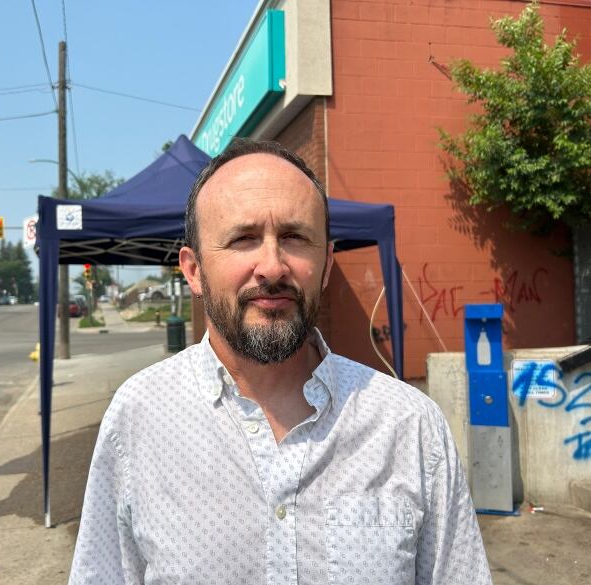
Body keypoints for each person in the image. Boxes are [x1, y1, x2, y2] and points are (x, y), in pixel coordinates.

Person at [68, 139, 492, 585]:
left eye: (294, 237)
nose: (272, 266)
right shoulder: (139, 417)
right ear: (193, 271)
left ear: (327, 265)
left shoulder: (409, 426)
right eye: (243, 239)